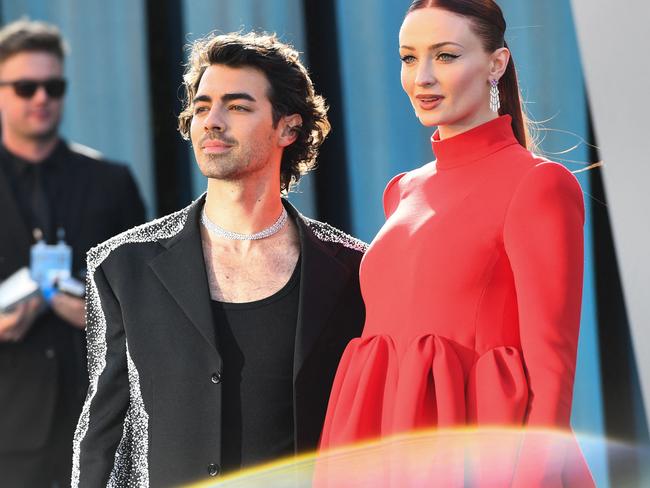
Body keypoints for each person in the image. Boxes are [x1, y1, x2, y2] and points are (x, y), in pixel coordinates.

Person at [72, 31, 366, 487]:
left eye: (238, 106)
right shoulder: (123, 267)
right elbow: (104, 432)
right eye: (203, 105)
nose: (212, 120)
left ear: (288, 127)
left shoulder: (351, 271)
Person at [319, 1, 594, 486]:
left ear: (496, 64)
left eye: (445, 55)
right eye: (408, 57)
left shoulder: (538, 185)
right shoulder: (401, 190)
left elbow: (552, 370)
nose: (422, 77)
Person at [0, 19, 145, 488]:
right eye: (25, 87)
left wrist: (101, 315)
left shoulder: (110, 181)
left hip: (102, 424)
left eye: (53, 86)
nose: (41, 98)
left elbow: (147, 296)